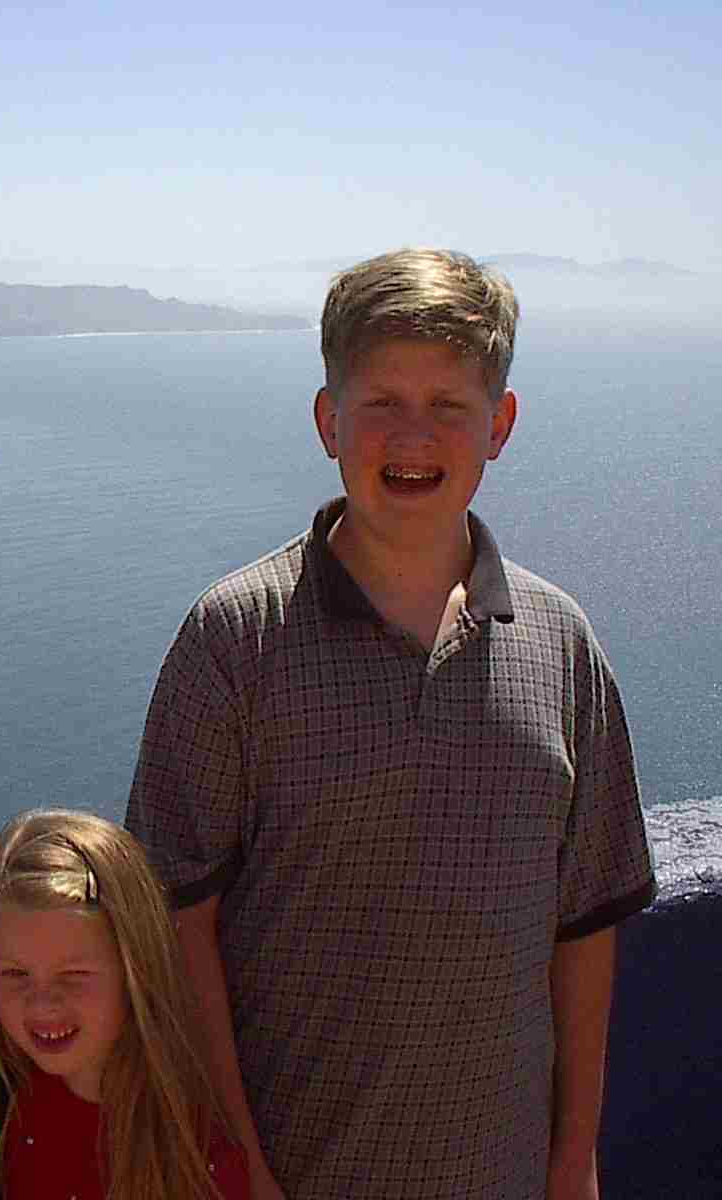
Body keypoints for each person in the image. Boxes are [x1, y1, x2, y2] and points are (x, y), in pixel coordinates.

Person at [126, 248, 657, 1199]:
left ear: (499, 426)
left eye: (450, 406)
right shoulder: (236, 638)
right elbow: (175, 924)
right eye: (381, 403)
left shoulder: (561, 644)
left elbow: (584, 929)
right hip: (287, 1177)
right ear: (330, 420)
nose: (413, 436)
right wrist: (237, 1165)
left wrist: (572, 1165)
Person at [0, 808, 250, 1200]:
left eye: (74, 975)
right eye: (16, 974)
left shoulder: (193, 1147)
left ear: (136, 967)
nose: (44, 1003)